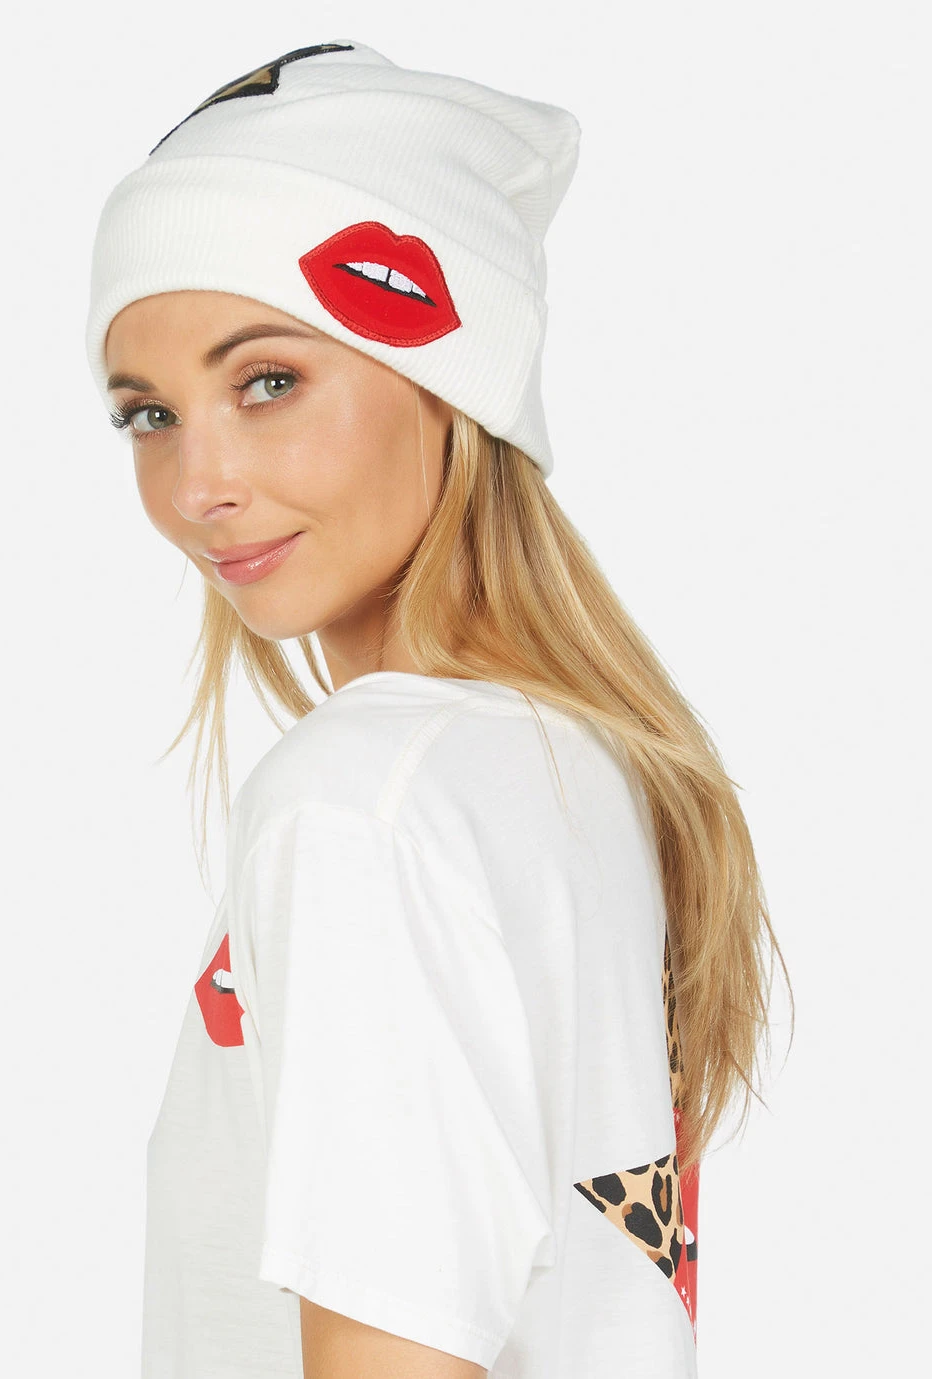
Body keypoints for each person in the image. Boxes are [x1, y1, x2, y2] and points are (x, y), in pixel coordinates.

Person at [84, 39, 792, 1379]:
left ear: (453, 381)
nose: (196, 484)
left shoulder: (366, 800)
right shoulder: (578, 766)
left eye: (269, 382)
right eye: (149, 414)